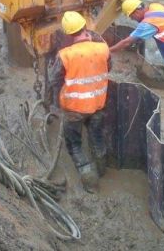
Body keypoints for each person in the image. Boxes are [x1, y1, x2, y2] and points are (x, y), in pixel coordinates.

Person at [49, 11, 111, 193]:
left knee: (75, 145)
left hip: (74, 109)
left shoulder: (65, 55)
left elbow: (54, 80)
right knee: (97, 138)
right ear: (85, 27)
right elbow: (109, 67)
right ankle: (102, 170)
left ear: (68, 34)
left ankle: (90, 183)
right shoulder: (103, 48)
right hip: (98, 104)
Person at [108, 0, 164, 70]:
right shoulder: (155, 6)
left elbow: (126, 42)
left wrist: (108, 51)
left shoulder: (148, 24)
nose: (132, 19)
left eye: (131, 16)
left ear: (136, 12)